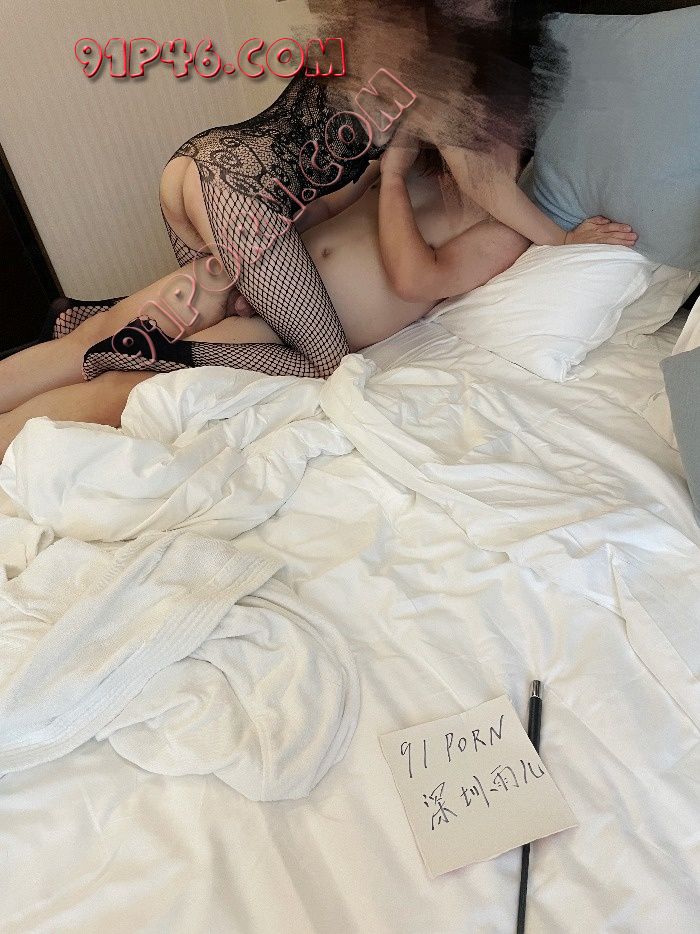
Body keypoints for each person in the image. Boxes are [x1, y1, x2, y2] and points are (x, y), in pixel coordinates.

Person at [0, 127, 638, 459]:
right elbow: (319, 206)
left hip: (293, 332)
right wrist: (252, 253)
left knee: (127, 383)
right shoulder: (412, 163)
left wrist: (392, 179)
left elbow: (416, 278)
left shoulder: (502, 230)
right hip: (256, 277)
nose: (466, 132)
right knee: (98, 333)